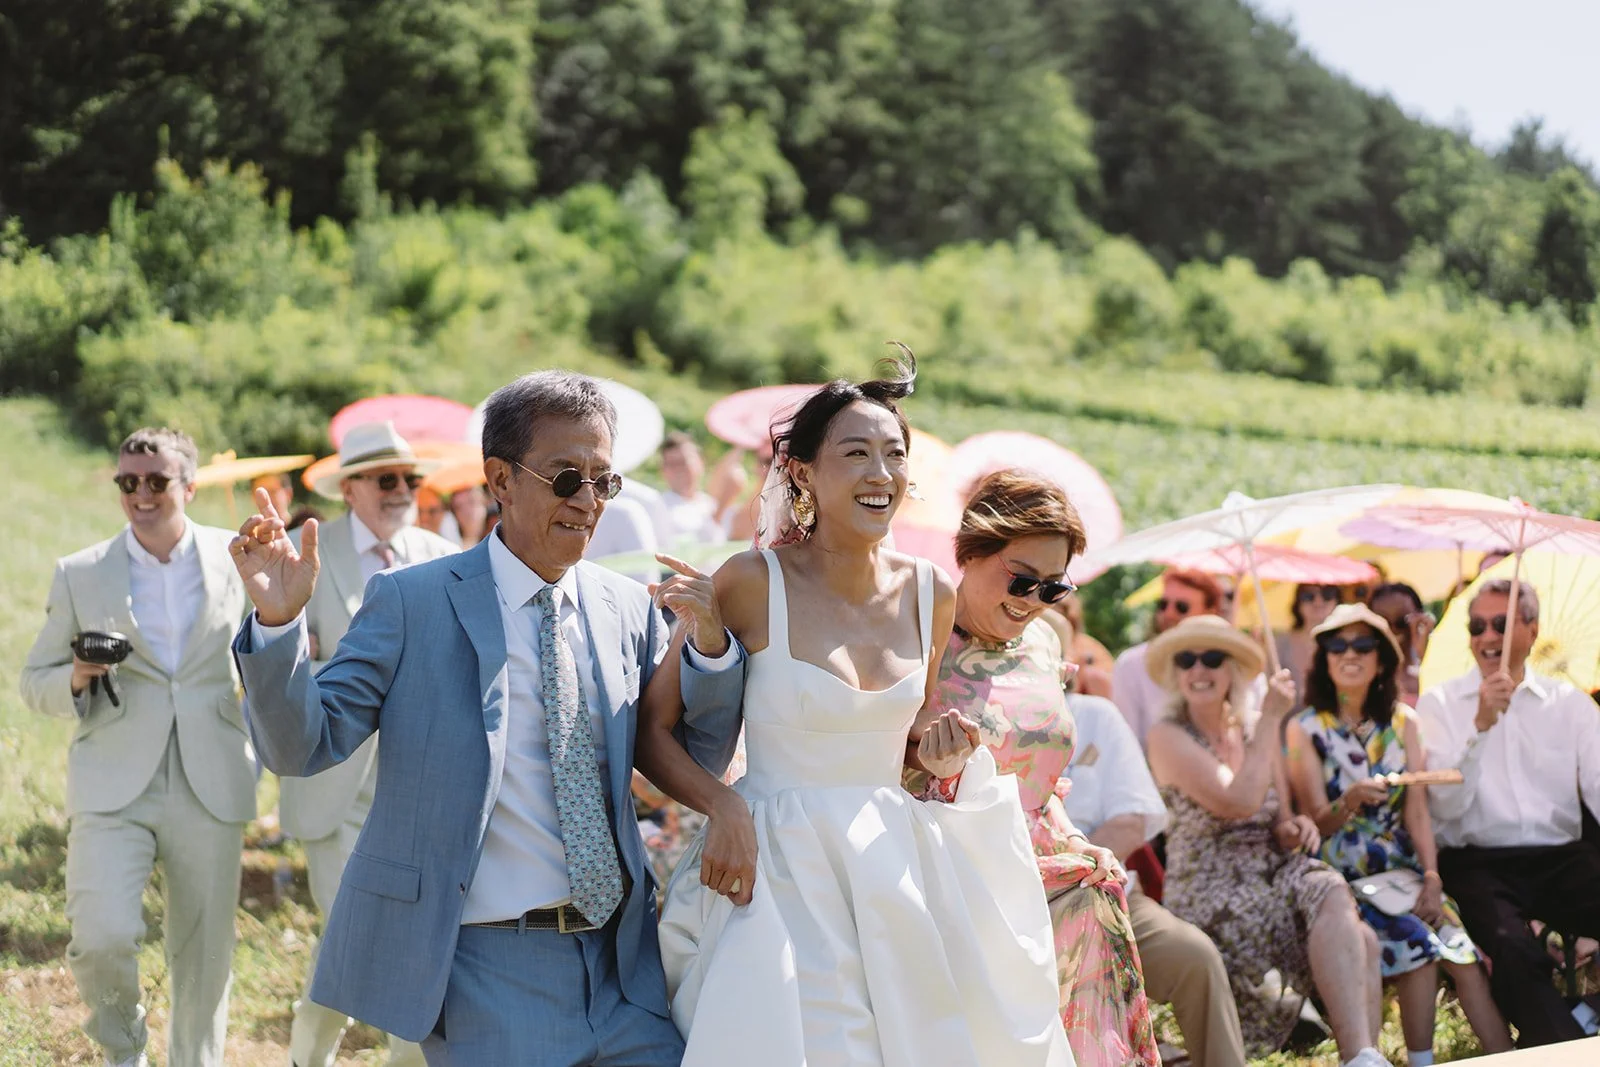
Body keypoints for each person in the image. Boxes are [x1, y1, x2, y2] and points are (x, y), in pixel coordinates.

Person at [228, 370, 747, 1065]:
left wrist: (710, 648)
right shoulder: (412, 601)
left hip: (622, 966)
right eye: (567, 477)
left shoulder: (626, 607)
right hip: (489, 969)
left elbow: (693, 753)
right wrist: (275, 626)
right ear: (500, 480)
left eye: (605, 480)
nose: (589, 501)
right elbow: (304, 744)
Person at [637, 355, 1072, 1065]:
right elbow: (652, 732)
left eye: (895, 454)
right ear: (803, 471)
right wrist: (724, 808)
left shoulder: (932, 592)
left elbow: (908, 733)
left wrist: (935, 749)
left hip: (892, 867)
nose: (882, 472)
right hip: (772, 871)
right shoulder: (750, 581)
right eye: (857, 453)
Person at [21, 427, 254, 1067]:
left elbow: (272, 654)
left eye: (155, 481)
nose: (140, 493)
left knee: (205, 957)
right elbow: (31, 684)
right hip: (111, 781)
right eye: (128, 482)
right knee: (100, 937)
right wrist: (74, 675)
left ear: (189, 485)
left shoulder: (236, 556)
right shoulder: (79, 572)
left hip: (213, 776)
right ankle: (124, 1054)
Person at [911, 469, 1160, 1066]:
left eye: (1053, 588)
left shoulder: (1047, 639)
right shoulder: (915, 633)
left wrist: (1080, 839)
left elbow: (1038, 774)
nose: (1033, 603)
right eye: (1022, 581)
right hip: (951, 867)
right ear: (971, 551)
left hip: (1044, 862)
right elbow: (868, 765)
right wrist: (929, 767)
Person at [281, 421, 460, 1067]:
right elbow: (273, 668)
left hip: (422, 787)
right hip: (335, 785)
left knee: (377, 944)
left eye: (410, 478)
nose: (402, 490)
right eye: (386, 479)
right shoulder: (309, 551)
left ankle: (318, 1056)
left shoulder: (445, 553)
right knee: (368, 939)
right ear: (350, 488)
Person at [1145, 616, 1388, 1067]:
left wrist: (1295, 828)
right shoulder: (1167, 736)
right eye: (1187, 659)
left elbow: (1279, 818)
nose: (1199, 669)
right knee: (1365, 941)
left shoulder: (1253, 728)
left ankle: (1361, 1058)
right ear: (1177, 674)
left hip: (1272, 875)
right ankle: (1362, 1057)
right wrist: (1272, 719)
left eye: (1213, 658)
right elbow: (1237, 801)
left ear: (1232, 669)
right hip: (1212, 891)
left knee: (1340, 901)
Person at [1285, 604, 1510, 1065]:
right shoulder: (1303, 727)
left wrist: (1431, 876)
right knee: (1419, 948)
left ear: (1383, 658)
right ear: (1323, 657)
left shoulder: (1404, 721)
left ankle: (1508, 1057)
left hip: (1405, 870)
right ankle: (1421, 1060)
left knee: (1465, 960)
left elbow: (1418, 814)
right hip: (1342, 874)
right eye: (1337, 644)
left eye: (1363, 644)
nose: (1350, 654)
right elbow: (1315, 822)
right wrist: (1348, 800)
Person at [1417, 579, 1600, 1047]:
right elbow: (1444, 808)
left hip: (1560, 856)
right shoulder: (1439, 703)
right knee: (1512, 950)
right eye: (1476, 626)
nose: (1486, 637)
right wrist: (1479, 729)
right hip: (1478, 860)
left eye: (1500, 623)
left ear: (1532, 629)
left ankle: (1586, 1015)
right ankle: (1562, 1050)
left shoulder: (1572, 705)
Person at [1060, 690, 1246, 1067]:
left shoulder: (1095, 716)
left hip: (1107, 895)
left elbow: (1132, 822)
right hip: (1021, 907)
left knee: (1195, 956)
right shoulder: (982, 710)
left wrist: (1064, 875)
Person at [1112, 569, 1226, 748]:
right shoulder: (1131, 665)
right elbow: (1126, 745)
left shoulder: (1232, 664)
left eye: (1181, 607)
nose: (1169, 613)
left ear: (1209, 612)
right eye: (1163, 604)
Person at [1367, 582, 1434, 707]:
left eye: (1402, 621)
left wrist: (1425, 657)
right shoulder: (1362, 669)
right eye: (1384, 622)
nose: (1393, 629)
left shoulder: (1436, 666)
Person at [658, 432, 726, 547]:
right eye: (672, 464)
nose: (679, 469)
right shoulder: (659, 507)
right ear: (663, 470)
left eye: (684, 461)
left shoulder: (711, 503)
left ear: (700, 462)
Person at [1276, 584, 1342, 693]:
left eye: (1327, 594)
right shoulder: (1280, 643)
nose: (1318, 601)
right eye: (1308, 596)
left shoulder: (1348, 642)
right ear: (1298, 603)